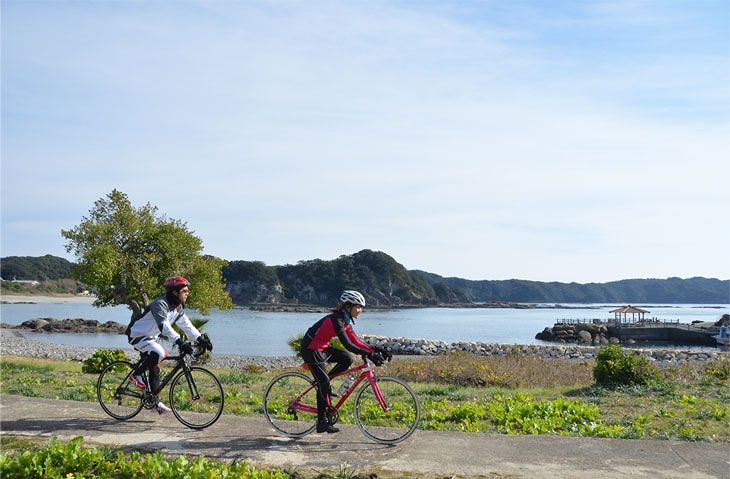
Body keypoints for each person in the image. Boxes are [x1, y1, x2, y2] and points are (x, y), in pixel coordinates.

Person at [300, 290, 387, 433]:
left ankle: (324, 381)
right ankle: (321, 422)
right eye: (358, 307)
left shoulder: (345, 320)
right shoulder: (336, 320)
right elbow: (347, 344)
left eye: (361, 307)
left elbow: (356, 342)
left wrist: (375, 350)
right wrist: (367, 353)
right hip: (311, 349)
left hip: (322, 348)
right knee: (324, 383)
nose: (360, 310)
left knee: (347, 359)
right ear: (348, 306)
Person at [126, 276, 213, 414]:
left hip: (151, 338)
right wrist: (179, 341)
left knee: (155, 368)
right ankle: (136, 376)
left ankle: (155, 403)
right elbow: (164, 326)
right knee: (161, 353)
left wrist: (200, 339)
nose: (187, 293)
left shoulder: (177, 307)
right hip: (137, 335)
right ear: (174, 292)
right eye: (185, 290)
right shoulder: (160, 304)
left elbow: (186, 325)